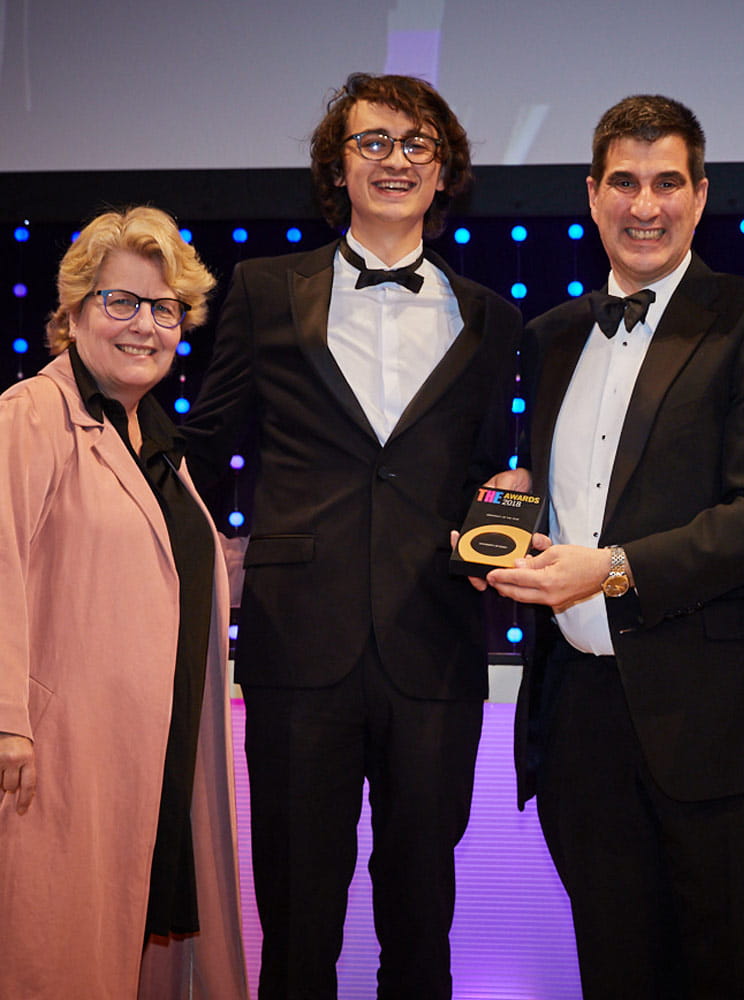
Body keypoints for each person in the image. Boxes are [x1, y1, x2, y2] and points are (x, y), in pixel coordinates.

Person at [181, 73, 522, 999]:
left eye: (416, 144)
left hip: (437, 643)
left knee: (423, 913)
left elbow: (492, 468)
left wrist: (503, 512)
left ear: (444, 169)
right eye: (373, 142)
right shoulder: (261, 289)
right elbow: (205, 449)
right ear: (338, 166)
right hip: (298, 645)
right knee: (296, 915)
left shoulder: (492, 316)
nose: (395, 160)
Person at [485, 94, 744, 999]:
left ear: (702, 194)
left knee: (738, 976)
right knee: (615, 972)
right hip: (582, 727)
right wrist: (512, 522)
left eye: (668, 183)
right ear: (593, 196)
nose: (647, 206)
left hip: (724, 720)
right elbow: (569, 498)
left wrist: (609, 568)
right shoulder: (551, 337)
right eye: (626, 183)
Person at [0, 206, 247, 998]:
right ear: (72, 314)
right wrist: (6, 721)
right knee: (57, 962)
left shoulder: (157, 445)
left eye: (165, 307)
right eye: (122, 302)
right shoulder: (30, 417)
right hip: (57, 765)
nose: (146, 325)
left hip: (156, 765)